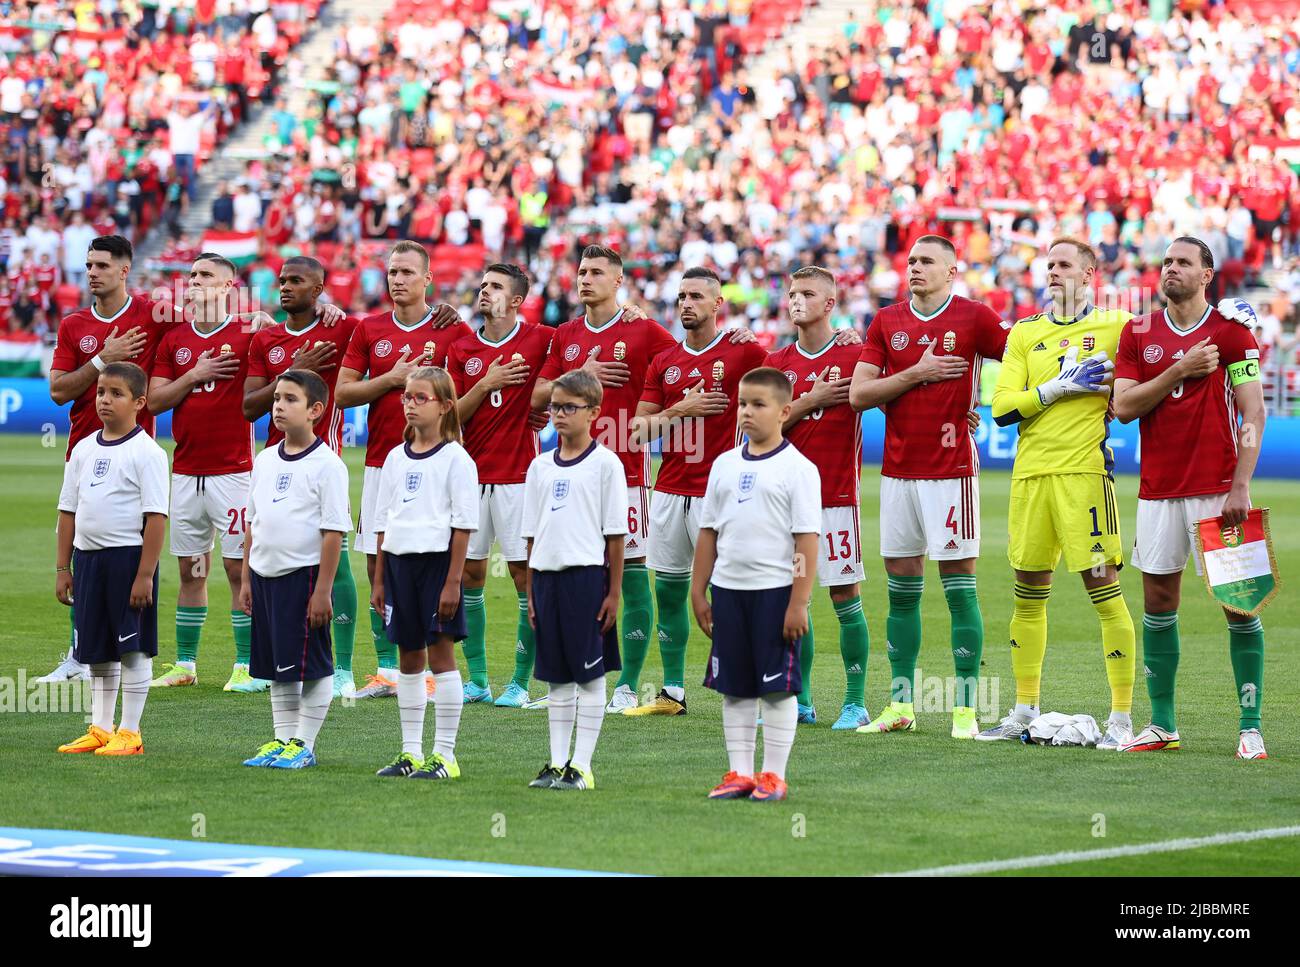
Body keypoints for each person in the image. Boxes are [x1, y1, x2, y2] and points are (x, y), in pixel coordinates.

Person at [1113, 237, 1269, 759]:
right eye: (1167, 262)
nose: (1171, 269)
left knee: (1240, 606)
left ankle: (1250, 726)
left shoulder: (1231, 333)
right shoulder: (1138, 332)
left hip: (1218, 490)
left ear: (1206, 274)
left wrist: (1241, 484)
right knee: (1158, 603)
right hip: (1158, 491)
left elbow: (1253, 414)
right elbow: (1125, 407)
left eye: (1183, 262)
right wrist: (1178, 370)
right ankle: (1162, 724)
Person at [849, 236, 1009, 739]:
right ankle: (901, 705)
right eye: (911, 261)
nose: (914, 268)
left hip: (950, 472)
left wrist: (991, 403)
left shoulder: (974, 318)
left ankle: (965, 708)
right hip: (896, 473)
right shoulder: (886, 321)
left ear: (952, 270)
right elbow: (859, 394)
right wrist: (916, 374)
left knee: (959, 588)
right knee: (900, 592)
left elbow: (1020, 357)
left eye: (926, 262)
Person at [983, 238, 1136, 748]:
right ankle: (1024, 709)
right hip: (1031, 478)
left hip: (1084, 478)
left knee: (1103, 590)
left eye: (1064, 264)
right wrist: (1055, 389)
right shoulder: (1025, 333)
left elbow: (1166, 347)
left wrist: (1228, 320)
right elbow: (1002, 407)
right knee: (1027, 592)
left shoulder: (1117, 326)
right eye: (1048, 264)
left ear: (1090, 273)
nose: (1052, 271)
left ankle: (1120, 720)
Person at [530, 245, 678, 713]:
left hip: (627, 470)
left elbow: (687, 363)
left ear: (618, 281)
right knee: (568, 573)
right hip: (567, 471)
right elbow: (536, 395)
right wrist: (578, 373)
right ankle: (571, 683)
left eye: (596, 272)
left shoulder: (644, 330)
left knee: (631, 576)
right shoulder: (566, 334)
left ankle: (628, 685)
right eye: (581, 271)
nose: (585, 279)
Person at [626, 267, 767, 718]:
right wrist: (681, 409)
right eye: (681, 296)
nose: (686, 303)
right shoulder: (664, 361)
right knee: (668, 591)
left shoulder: (743, 352)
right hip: (667, 490)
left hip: (721, 493)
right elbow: (636, 431)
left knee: (732, 592)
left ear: (717, 304)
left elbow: (790, 377)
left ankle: (744, 683)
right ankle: (672, 691)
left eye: (696, 297)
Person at [42, 235, 177, 684]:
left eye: (101, 265)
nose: (92, 272)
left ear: (124, 270)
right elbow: (59, 391)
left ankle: (131, 652)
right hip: (83, 450)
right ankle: (81, 653)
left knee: (128, 551)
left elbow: (210, 317)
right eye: (88, 265)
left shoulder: (151, 314)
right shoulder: (73, 324)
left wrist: (253, 314)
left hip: (134, 453)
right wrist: (103, 359)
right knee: (86, 549)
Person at [336, 241, 469, 700]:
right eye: (392, 271)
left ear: (427, 279)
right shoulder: (369, 328)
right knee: (379, 562)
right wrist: (391, 380)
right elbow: (343, 395)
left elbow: (470, 383)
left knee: (433, 559)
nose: (397, 279)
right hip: (381, 463)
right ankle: (387, 669)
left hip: (436, 463)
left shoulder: (451, 328)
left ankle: (436, 668)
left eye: (408, 272)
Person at [691, 368, 821, 802]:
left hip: (774, 594)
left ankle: (773, 775)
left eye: (758, 404)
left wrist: (798, 602)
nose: (746, 412)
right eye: (743, 403)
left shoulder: (798, 469)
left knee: (776, 687)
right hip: (728, 592)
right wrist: (699, 590)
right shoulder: (724, 465)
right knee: (734, 686)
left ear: (784, 411)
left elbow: (806, 539)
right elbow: (709, 532)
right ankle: (739, 773)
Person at [244, 257, 361, 698]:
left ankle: (344, 667)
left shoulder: (341, 328)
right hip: (274, 462)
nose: (285, 287)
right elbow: (249, 406)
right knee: (273, 557)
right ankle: (272, 659)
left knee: (336, 554)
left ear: (319, 289)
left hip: (319, 457)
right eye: (282, 281)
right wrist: (292, 365)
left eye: (297, 281)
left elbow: (383, 334)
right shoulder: (267, 337)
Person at [766, 267, 871, 730]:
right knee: (795, 601)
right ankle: (802, 699)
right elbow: (756, 433)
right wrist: (809, 400)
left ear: (830, 304)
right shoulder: (776, 363)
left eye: (807, 293)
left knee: (846, 597)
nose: (795, 301)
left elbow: (894, 394)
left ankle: (854, 702)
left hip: (837, 497)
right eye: (791, 293)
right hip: (785, 505)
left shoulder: (856, 354)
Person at [147, 254, 258, 690]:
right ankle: (185, 666)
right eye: (191, 275)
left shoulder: (250, 333)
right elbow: (154, 402)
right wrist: (195, 373)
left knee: (237, 570)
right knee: (191, 569)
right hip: (186, 470)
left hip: (234, 472)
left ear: (229, 286)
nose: (194, 281)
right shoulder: (175, 339)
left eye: (206, 275)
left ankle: (247, 666)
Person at [446, 263, 553, 706]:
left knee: (523, 576)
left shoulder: (542, 339)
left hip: (518, 477)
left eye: (495, 286)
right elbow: (450, 415)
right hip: (470, 478)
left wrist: (631, 311)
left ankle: (521, 683)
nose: (483, 290)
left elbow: (587, 336)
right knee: (470, 575)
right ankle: (478, 680)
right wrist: (486, 382)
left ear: (516, 300)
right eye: (482, 283)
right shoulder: (462, 347)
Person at [239, 370, 351, 769]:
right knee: (278, 665)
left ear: (316, 410)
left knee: (312, 665)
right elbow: (254, 521)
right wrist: (248, 578)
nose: (279, 407)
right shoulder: (266, 459)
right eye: (276, 399)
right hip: (265, 577)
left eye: (290, 400)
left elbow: (333, 532)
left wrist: (323, 590)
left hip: (302, 579)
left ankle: (304, 742)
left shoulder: (327, 465)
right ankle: (281, 738)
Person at [370, 368, 478, 779]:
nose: (410, 405)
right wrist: (380, 579)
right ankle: (410, 752)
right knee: (408, 658)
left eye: (420, 398)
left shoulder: (456, 459)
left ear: (445, 406)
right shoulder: (395, 458)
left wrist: (453, 582)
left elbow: (463, 526)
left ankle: (445, 755)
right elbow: (384, 523)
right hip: (398, 566)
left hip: (437, 567)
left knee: (441, 656)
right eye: (407, 398)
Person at [55, 362, 168, 757]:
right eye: (101, 392)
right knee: (98, 649)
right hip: (88, 563)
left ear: (139, 402)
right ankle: (101, 728)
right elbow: (67, 511)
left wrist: (145, 576)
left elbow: (156, 517)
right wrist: (63, 568)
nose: (105, 400)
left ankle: (131, 732)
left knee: (133, 647)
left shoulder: (147, 453)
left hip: (129, 561)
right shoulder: (84, 449)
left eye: (116, 394)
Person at [522, 370, 627, 790]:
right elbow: (531, 533)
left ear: (594, 413)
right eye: (554, 407)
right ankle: (556, 761)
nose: (559, 415)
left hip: (587, 579)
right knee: (556, 677)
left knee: (589, 675)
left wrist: (613, 591)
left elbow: (615, 535)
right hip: (546, 580)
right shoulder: (539, 466)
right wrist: (530, 591)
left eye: (569, 407)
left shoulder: (606, 464)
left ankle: (582, 765)